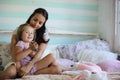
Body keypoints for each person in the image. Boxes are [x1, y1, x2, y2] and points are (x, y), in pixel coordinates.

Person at [0, 8, 62, 79]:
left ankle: (28, 73)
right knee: (10, 73)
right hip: (18, 60)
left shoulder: (44, 34)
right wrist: (18, 65)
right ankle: (25, 73)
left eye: (40, 23)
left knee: (57, 67)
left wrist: (29, 66)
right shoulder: (20, 30)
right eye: (35, 20)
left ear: (43, 24)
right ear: (31, 17)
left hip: (35, 61)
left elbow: (39, 53)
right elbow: (13, 50)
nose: (36, 24)